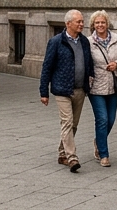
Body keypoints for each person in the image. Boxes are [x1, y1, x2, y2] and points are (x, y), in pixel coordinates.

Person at [39, 9, 94, 172]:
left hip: (80, 89)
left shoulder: (84, 41)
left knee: (73, 124)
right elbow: (47, 67)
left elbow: (88, 63)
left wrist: (89, 83)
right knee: (67, 122)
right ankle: (72, 157)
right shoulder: (56, 41)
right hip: (62, 89)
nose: (82, 24)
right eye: (78, 22)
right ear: (68, 23)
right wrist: (44, 91)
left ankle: (62, 153)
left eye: (82, 21)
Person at [86, 10, 117, 167]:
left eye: (102, 22)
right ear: (93, 25)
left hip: (113, 86)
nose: (100, 25)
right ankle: (104, 154)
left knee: (110, 119)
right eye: (97, 23)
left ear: (107, 23)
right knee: (102, 119)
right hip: (95, 87)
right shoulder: (89, 42)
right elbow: (85, 62)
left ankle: (98, 141)